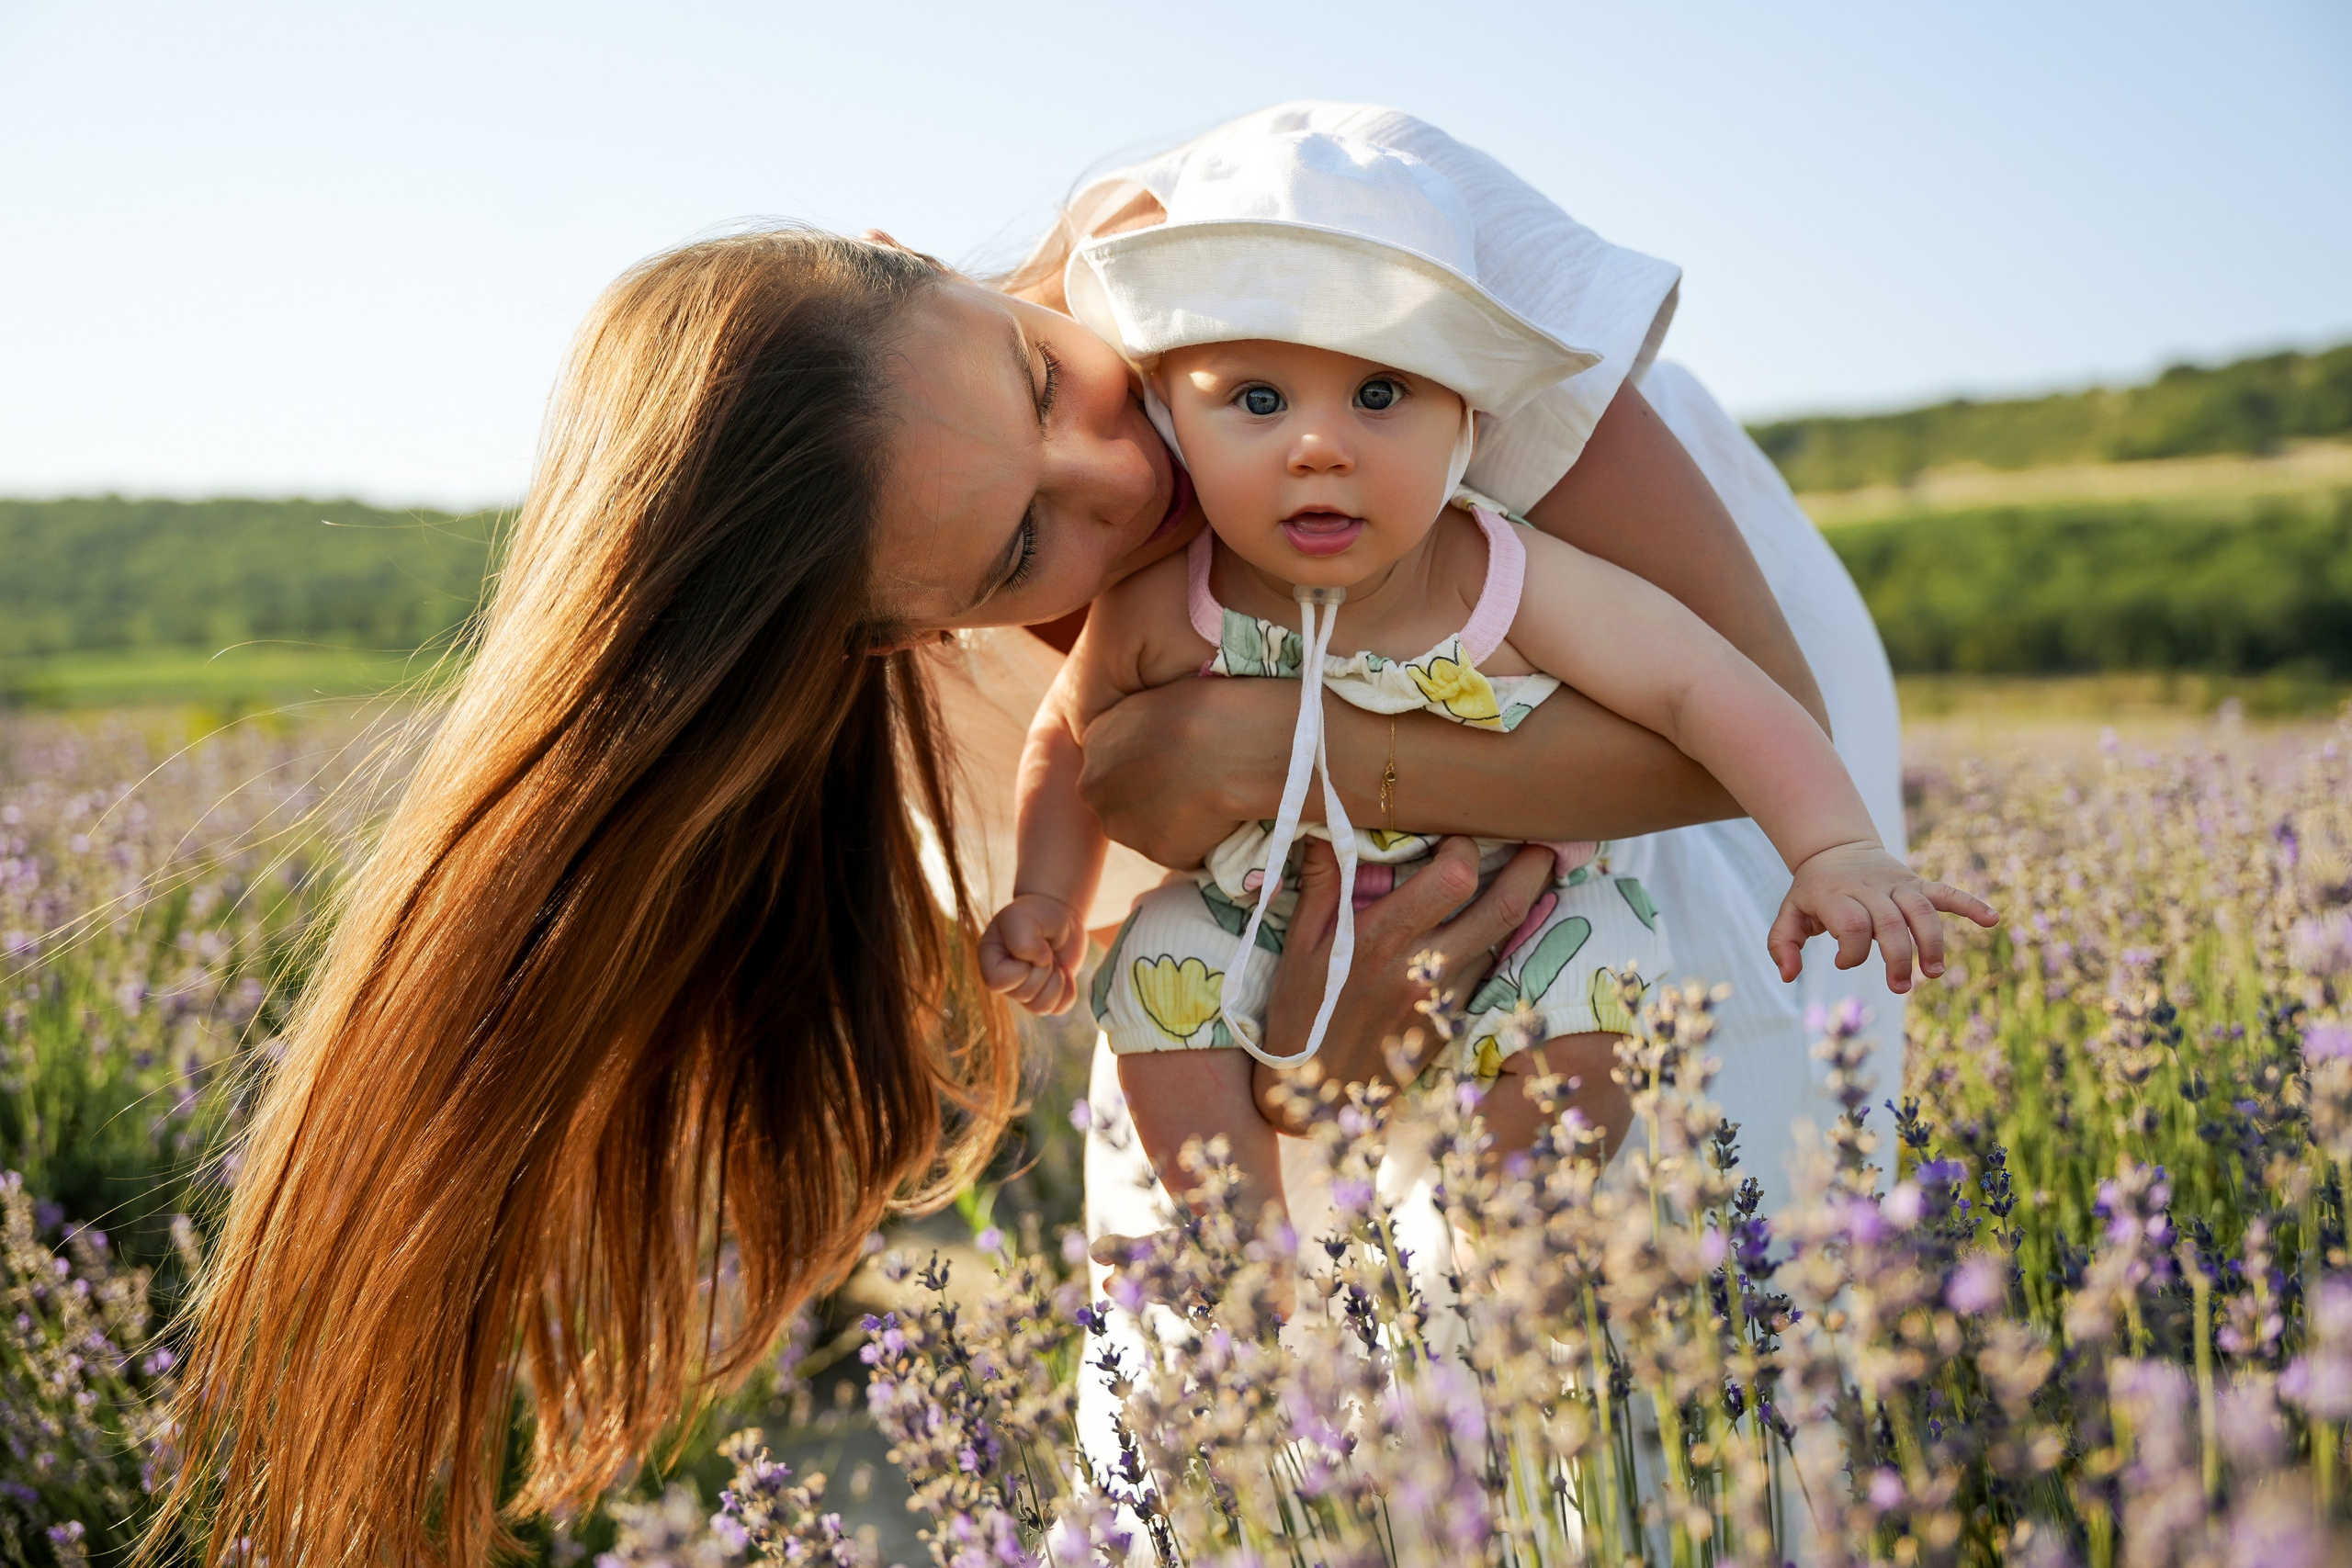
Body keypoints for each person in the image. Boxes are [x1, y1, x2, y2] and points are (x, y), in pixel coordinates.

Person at [163, 99, 1903, 1568]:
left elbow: (1760, 727)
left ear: (913, 253)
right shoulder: (957, 732)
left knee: (1645, 1474)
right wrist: (1329, 1066)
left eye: (1036, 377)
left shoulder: (1315, 225)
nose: (1125, 479)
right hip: (1288, 1128)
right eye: (1016, 560)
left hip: (1671, 928)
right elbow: (1243, 1049)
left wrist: (1249, 752)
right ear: (898, 634)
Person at [976, 130, 1991, 1225]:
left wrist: (1831, 847)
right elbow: (1067, 735)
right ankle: (1238, 1251)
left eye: (1379, 395)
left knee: (1595, 993)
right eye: (1256, 403)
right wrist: (1046, 894)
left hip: (1519, 911)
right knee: (1163, 969)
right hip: (1257, 914)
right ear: (1178, 420)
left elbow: (1710, 688)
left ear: (1465, 422)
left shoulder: (1508, 574)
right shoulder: (1167, 597)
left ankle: (1499, 1242)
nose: (1319, 446)